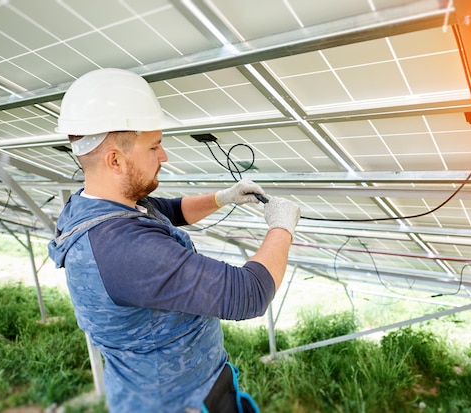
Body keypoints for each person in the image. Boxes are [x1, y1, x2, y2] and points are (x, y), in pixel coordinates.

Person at [47, 68, 301, 413]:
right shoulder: (126, 250)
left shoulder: (94, 204)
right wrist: (281, 228)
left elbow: (165, 210)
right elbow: (248, 294)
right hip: (177, 402)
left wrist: (224, 197)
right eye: (154, 147)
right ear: (115, 159)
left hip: (157, 386)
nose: (164, 156)